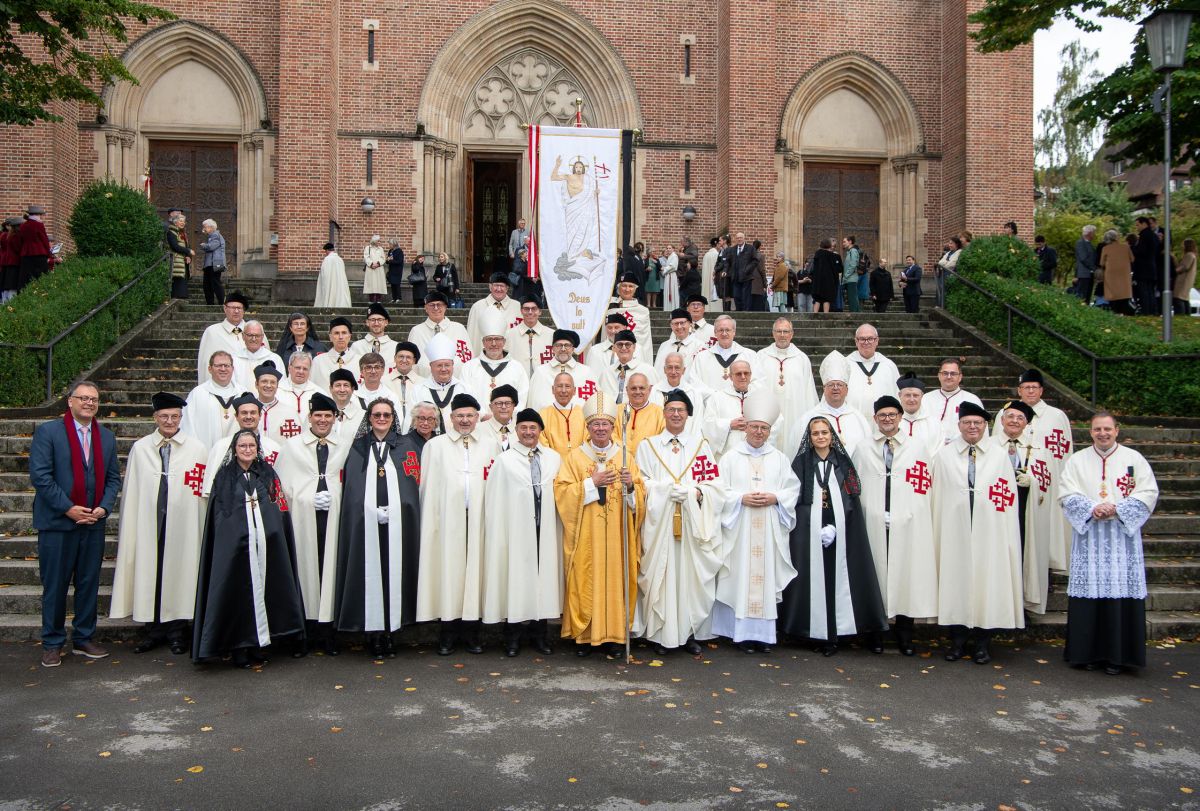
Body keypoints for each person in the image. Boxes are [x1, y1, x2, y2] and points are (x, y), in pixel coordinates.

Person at [191, 430, 306, 667]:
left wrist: (273, 533)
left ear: (257, 448)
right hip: (236, 550)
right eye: (242, 446)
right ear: (234, 449)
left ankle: (259, 645)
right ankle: (239, 647)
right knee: (238, 596)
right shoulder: (224, 477)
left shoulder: (267, 473)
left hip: (266, 546)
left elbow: (278, 508)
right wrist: (235, 538)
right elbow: (220, 516)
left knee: (265, 593)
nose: (247, 450)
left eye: (251, 446)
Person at [29, 381, 121, 667]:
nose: (89, 403)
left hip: (92, 523)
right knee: (55, 585)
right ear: (70, 401)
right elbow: (41, 476)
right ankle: (53, 642)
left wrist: (103, 507)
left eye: (94, 399)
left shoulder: (105, 437)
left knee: (88, 583)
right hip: (58, 523)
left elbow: (113, 479)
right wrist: (69, 509)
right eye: (83, 398)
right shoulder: (49, 433)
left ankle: (83, 637)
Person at [1059, 412, 1159, 675]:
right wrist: (1093, 508)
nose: (1102, 434)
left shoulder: (1134, 459)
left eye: (1107, 429)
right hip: (1090, 538)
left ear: (1117, 430)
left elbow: (1148, 492)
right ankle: (1086, 654)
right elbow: (1066, 492)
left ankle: (1118, 656)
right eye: (1097, 429)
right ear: (1090, 432)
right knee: (1088, 593)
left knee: (1119, 592)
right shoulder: (1077, 460)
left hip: (1121, 540)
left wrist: (1117, 508)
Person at [110, 392, 208, 656]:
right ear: (155, 418)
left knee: (179, 572)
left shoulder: (196, 448)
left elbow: (199, 491)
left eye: (175, 416)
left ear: (181, 418)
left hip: (182, 524)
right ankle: (152, 630)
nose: (169, 421)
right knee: (150, 571)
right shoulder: (141, 449)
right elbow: (133, 490)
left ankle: (177, 630)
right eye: (164, 416)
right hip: (150, 521)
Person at [780, 416, 887, 655]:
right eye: (815, 433)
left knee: (840, 579)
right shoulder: (800, 464)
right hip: (809, 536)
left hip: (842, 534)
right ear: (810, 437)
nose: (820, 437)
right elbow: (794, 500)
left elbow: (851, 499)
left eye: (824, 433)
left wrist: (837, 526)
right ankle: (814, 632)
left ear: (832, 435)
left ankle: (840, 631)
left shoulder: (843, 463)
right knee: (813, 580)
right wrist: (812, 526)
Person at [554, 391, 646, 657]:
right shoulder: (575, 458)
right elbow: (561, 492)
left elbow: (640, 495)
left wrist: (631, 486)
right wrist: (590, 484)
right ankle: (584, 637)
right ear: (588, 427)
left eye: (606, 423)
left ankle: (615, 638)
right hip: (586, 534)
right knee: (586, 578)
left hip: (618, 534)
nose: (601, 428)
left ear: (613, 427)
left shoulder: (625, 456)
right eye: (596, 424)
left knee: (617, 579)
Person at [633, 391, 724, 655]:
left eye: (681, 410)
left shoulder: (700, 446)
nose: (675, 414)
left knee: (689, 578)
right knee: (661, 576)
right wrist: (662, 490)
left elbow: (714, 486)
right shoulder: (648, 446)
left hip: (691, 525)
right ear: (663, 413)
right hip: (659, 524)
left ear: (688, 414)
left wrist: (694, 493)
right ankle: (660, 634)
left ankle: (688, 632)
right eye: (671, 409)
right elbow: (641, 483)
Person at [933, 402, 1024, 665]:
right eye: (967, 423)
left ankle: (983, 642)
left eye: (978, 423)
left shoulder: (998, 456)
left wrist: (1003, 530)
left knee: (988, 584)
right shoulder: (945, 456)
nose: (972, 427)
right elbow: (938, 495)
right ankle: (958, 640)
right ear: (959, 425)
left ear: (985, 426)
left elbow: (1007, 497)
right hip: (955, 530)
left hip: (990, 530)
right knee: (956, 584)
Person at [334, 398, 423, 657]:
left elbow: (412, 482)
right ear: (369, 418)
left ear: (393, 417)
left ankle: (392, 632)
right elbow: (352, 487)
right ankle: (372, 633)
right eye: (377, 415)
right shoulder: (358, 447)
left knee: (394, 572)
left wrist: (399, 509)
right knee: (370, 573)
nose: (381, 419)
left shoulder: (406, 446)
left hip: (399, 524)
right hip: (365, 524)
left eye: (386, 415)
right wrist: (368, 510)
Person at [850, 396, 938, 656]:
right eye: (882, 415)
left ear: (900, 417)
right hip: (873, 519)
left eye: (892, 414)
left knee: (905, 576)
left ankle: (905, 633)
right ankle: (875, 632)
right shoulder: (864, 448)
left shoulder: (916, 447)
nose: (887, 419)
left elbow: (924, 485)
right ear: (875, 419)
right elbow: (855, 484)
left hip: (907, 521)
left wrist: (910, 512)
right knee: (875, 576)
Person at [712, 390, 799, 653]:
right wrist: (740, 499)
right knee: (739, 578)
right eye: (755, 427)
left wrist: (775, 497)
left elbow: (791, 489)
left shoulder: (780, 459)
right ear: (745, 428)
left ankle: (762, 637)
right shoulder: (730, 457)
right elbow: (719, 491)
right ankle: (740, 635)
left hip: (769, 528)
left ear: (769, 430)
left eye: (764, 428)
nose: (759, 432)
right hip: (740, 530)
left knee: (764, 578)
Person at [416, 393, 500, 655]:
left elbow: (495, 483)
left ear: (478, 418)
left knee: (475, 573)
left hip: (479, 518)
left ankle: (473, 632)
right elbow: (427, 487)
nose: (465, 420)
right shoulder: (435, 446)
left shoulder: (490, 444)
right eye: (460, 416)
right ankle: (448, 631)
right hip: (446, 519)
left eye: (470, 415)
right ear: (451, 418)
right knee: (448, 573)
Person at [479, 406, 563, 657]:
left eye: (533, 428)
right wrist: (499, 532)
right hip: (515, 529)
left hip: (545, 527)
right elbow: (494, 499)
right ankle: (512, 636)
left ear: (540, 431)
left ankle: (540, 634)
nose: (528, 432)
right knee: (517, 579)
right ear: (516, 431)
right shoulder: (505, 460)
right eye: (523, 427)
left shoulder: (553, 458)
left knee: (543, 580)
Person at [274, 392, 349, 657]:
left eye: (328, 416)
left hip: (333, 516)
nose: (323, 420)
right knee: (304, 571)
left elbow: (349, 482)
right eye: (318, 415)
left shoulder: (343, 446)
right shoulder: (292, 447)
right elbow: (282, 487)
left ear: (335, 418)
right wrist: (307, 498)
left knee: (329, 571)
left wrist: (335, 496)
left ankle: (328, 633)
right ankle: (302, 633)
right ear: (309, 417)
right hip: (302, 518)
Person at [994, 368, 1074, 571]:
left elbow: (1064, 452)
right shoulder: (1005, 415)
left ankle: (1048, 561)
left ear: (1042, 391)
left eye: (1034, 388)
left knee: (1045, 524)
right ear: (1019, 390)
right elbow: (995, 446)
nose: (1030, 391)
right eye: (1026, 387)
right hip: (1008, 478)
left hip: (1047, 478)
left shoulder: (1057, 416)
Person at [990, 400, 1059, 615]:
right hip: (996, 510)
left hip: (1025, 510)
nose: (1014, 421)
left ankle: (1021, 605)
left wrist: (1033, 482)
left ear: (1027, 424)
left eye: (1020, 418)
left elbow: (1048, 484)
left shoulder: (1039, 450)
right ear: (1001, 420)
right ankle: (996, 602)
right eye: (1010, 416)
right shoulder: (988, 445)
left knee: (1022, 555)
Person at [756, 318, 817, 459]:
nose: (782, 335)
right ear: (773, 333)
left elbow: (809, 391)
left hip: (795, 414)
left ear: (792, 334)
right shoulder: (761, 356)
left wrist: (810, 419)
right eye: (778, 331)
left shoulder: (802, 359)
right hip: (769, 416)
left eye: (785, 331)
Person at [200, 393, 284, 494]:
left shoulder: (273, 447)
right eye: (244, 413)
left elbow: (280, 487)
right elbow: (211, 490)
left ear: (260, 415)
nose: (249, 417)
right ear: (236, 416)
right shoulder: (221, 446)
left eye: (253, 412)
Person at [799, 351, 872, 455]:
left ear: (847, 389)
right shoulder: (810, 418)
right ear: (824, 389)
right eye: (831, 385)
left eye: (839, 384)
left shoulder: (858, 418)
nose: (835, 388)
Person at [703, 360, 773, 457]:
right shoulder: (717, 398)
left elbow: (777, 421)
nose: (743, 377)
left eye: (746, 373)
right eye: (738, 374)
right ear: (730, 376)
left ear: (751, 375)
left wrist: (757, 425)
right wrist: (729, 424)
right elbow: (707, 425)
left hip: (758, 454)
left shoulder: (762, 397)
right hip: (728, 455)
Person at [460, 310, 529, 407]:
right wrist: (482, 416)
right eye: (489, 339)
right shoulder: (469, 368)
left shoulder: (517, 367)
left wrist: (508, 417)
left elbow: (522, 398)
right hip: (477, 421)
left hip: (510, 421)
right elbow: (465, 396)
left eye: (497, 339)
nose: (493, 344)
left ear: (504, 341)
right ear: (483, 342)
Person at [526, 329, 599, 412]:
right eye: (559, 345)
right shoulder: (541, 372)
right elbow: (532, 403)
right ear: (553, 349)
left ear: (572, 349)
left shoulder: (586, 372)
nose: (563, 349)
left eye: (567, 345)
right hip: (548, 421)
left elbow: (596, 402)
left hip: (577, 422)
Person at [181, 351, 241, 449]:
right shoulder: (198, 394)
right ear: (210, 369)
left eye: (227, 365)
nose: (223, 369)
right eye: (218, 366)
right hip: (206, 454)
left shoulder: (242, 393)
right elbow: (188, 425)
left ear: (232, 369)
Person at [685, 314, 759, 391]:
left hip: (740, 401)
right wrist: (715, 397)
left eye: (727, 330)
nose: (724, 333)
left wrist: (739, 395)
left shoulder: (750, 355)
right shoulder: (702, 357)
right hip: (711, 401)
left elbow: (758, 382)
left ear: (734, 332)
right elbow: (695, 382)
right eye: (720, 330)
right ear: (715, 332)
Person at [922, 357, 984, 446]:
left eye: (953, 373)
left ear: (960, 377)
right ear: (939, 376)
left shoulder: (972, 400)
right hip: (930, 450)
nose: (949, 377)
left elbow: (981, 430)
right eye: (945, 373)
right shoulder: (926, 399)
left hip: (961, 451)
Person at [406, 292, 472, 376]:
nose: (436, 308)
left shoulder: (459, 328)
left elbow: (467, 358)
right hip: (425, 381)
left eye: (439, 304)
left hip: (455, 381)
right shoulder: (417, 331)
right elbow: (411, 360)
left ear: (445, 307)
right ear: (425, 308)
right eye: (432, 305)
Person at [844, 323, 900, 420]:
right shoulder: (845, 365)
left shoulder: (888, 366)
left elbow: (898, 395)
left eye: (870, 338)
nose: (866, 342)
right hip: (852, 421)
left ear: (877, 340)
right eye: (862, 339)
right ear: (856, 341)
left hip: (884, 422)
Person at [196, 292, 247, 383]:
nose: (236, 311)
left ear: (243, 310)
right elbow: (205, 364)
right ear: (225, 308)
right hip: (221, 385)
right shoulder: (212, 332)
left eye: (239, 308)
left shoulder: (254, 331)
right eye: (232, 308)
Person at [467, 272, 522, 354]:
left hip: (511, 356)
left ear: (507, 288)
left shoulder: (517, 307)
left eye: (502, 286)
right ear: (490, 287)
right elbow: (472, 335)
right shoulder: (477, 307)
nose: (499, 289)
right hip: (484, 356)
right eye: (496, 285)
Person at [598, 330, 658, 404]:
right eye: (620, 344)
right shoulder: (606, 373)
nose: (623, 348)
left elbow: (656, 398)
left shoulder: (648, 371)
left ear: (634, 347)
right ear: (614, 348)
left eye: (627, 344)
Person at [610, 273, 655, 364]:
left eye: (631, 286)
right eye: (624, 286)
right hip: (612, 356)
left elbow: (645, 341)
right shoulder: (610, 308)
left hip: (636, 357)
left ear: (635, 289)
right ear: (618, 288)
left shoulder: (643, 311)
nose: (627, 289)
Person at [615, 373, 665, 453]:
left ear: (649, 389)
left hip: (648, 461)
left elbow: (663, 440)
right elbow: (610, 436)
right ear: (627, 390)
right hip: (621, 460)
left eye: (641, 388)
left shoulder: (660, 413)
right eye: (633, 388)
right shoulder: (616, 411)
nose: (638, 392)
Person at [505, 297, 554, 377]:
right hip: (517, 379)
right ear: (521, 311)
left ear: (540, 311)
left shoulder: (551, 334)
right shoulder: (509, 335)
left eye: (534, 309)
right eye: (526, 309)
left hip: (543, 380)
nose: (530, 312)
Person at [539, 372, 586, 456]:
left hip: (579, 465)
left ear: (574, 390)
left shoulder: (583, 413)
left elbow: (587, 441)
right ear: (553, 389)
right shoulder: (543, 414)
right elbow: (543, 446)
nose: (563, 391)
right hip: (553, 465)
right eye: (560, 386)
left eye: (567, 386)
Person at [384, 341, 426, 430]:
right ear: (395, 358)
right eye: (401, 356)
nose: (404, 360)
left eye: (408, 357)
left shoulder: (423, 383)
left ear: (414, 361)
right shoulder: (383, 381)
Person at [232, 320, 284, 392]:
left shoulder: (275, 359)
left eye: (257, 336)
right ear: (243, 336)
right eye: (250, 335)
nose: (253, 339)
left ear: (262, 337)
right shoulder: (234, 359)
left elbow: (281, 386)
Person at [310, 317, 360, 391]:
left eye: (344, 333)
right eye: (336, 333)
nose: (340, 337)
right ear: (330, 337)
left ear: (350, 336)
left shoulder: (360, 361)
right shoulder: (318, 361)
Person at [896, 371, 940, 453]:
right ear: (899, 395)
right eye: (908, 395)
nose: (912, 399)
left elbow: (938, 451)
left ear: (922, 396)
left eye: (915, 395)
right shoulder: (892, 421)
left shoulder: (934, 423)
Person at [655, 308, 704, 374]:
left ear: (690, 324)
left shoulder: (699, 346)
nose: (679, 327)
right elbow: (657, 370)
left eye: (682, 323)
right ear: (671, 325)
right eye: (675, 323)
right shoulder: (664, 345)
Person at [1098, 229, 1135, 315]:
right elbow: (1132, 259)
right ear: (1116, 238)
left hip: (1111, 275)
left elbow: (1101, 263)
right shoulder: (1126, 247)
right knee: (1124, 294)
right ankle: (1126, 311)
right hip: (1124, 274)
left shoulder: (1105, 248)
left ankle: (1115, 312)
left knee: (1113, 295)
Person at [1132, 216, 1161, 315]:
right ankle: (1153, 311)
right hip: (1152, 268)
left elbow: (1141, 251)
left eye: (1138, 225)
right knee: (1150, 292)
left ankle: (1146, 311)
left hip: (1143, 269)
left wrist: (1132, 248)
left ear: (1144, 224)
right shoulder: (1154, 236)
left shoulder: (1144, 236)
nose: (1137, 227)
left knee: (1144, 291)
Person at [479, 384, 519, 449]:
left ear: (513, 406)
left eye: (508, 403)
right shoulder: (479, 429)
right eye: (499, 403)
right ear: (491, 407)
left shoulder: (522, 430)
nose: (503, 407)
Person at [164, 211, 193, 300]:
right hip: (176, 259)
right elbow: (175, 246)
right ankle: (177, 297)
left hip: (182, 260)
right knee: (177, 279)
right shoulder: (172, 232)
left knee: (182, 279)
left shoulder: (182, 233)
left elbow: (186, 245)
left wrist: (188, 255)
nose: (183, 223)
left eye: (184, 222)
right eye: (181, 221)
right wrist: (188, 251)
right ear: (175, 222)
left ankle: (182, 297)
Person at [808, 238, 841, 313]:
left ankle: (814, 315)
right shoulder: (831, 255)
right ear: (829, 245)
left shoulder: (817, 254)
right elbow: (834, 270)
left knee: (817, 299)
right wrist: (835, 281)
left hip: (818, 281)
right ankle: (826, 316)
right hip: (828, 281)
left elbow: (813, 269)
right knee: (827, 299)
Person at [727, 232, 758, 312]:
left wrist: (747, 269)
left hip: (746, 277)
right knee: (736, 296)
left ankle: (745, 313)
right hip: (735, 277)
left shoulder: (750, 248)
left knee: (746, 296)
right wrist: (727, 271)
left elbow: (755, 261)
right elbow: (728, 262)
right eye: (737, 238)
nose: (739, 239)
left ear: (744, 238)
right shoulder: (732, 249)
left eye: (741, 237)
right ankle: (739, 312)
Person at [199, 219, 227, 306]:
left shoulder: (215, 235)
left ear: (211, 227)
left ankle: (222, 302)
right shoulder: (212, 235)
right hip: (210, 264)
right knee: (207, 284)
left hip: (214, 263)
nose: (203, 229)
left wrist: (204, 245)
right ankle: (210, 303)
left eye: (205, 227)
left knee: (215, 283)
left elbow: (211, 247)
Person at [315, 242, 352, 308]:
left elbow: (324, 274)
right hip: (339, 283)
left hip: (329, 283)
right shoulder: (340, 259)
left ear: (327, 250)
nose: (325, 253)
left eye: (325, 251)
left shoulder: (327, 259)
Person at [1070, 226, 1096, 301]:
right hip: (1083, 274)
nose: (1094, 235)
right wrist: (1094, 268)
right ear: (1089, 233)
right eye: (1094, 233)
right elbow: (1083, 258)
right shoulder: (1080, 243)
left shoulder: (1089, 244)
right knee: (1081, 297)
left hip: (1089, 274)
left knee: (1087, 296)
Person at [0, 215, 23, 301]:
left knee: (7, 284)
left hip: (8, 261)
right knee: (10, 284)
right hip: (10, 261)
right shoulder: (6, 235)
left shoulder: (8, 235)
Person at [1173, 238, 1197, 316]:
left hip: (1183, 281)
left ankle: (1181, 316)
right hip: (1187, 282)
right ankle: (1186, 316)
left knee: (1179, 298)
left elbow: (1184, 267)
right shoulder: (1192, 255)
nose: (1181, 246)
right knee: (1185, 299)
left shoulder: (1189, 255)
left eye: (1183, 244)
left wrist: (1175, 271)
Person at [840, 236, 862, 313]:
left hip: (851, 279)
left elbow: (853, 265)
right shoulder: (849, 252)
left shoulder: (853, 251)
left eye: (844, 241)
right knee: (851, 298)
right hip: (849, 279)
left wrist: (846, 275)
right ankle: (855, 313)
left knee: (852, 298)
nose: (843, 243)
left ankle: (855, 315)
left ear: (850, 242)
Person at [363, 235, 387, 304]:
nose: (379, 242)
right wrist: (371, 264)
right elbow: (366, 257)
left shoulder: (381, 249)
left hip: (379, 269)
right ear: (374, 241)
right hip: (370, 269)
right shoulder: (368, 248)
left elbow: (383, 258)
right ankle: (371, 299)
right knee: (371, 284)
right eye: (378, 241)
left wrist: (378, 264)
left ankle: (378, 299)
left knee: (379, 284)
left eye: (380, 241)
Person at [701, 237, 721, 307]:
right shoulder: (717, 255)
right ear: (717, 244)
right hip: (714, 279)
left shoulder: (706, 255)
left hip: (706, 280)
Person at [659, 243, 679, 312]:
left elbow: (673, 266)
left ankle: (672, 308)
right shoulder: (670, 256)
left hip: (671, 276)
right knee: (667, 291)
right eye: (667, 248)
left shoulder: (674, 256)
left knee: (671, 291)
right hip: (668, 275)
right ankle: (668, 308)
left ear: (673, 249)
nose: (668, 249)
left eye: (670, 248)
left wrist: (664, 269)